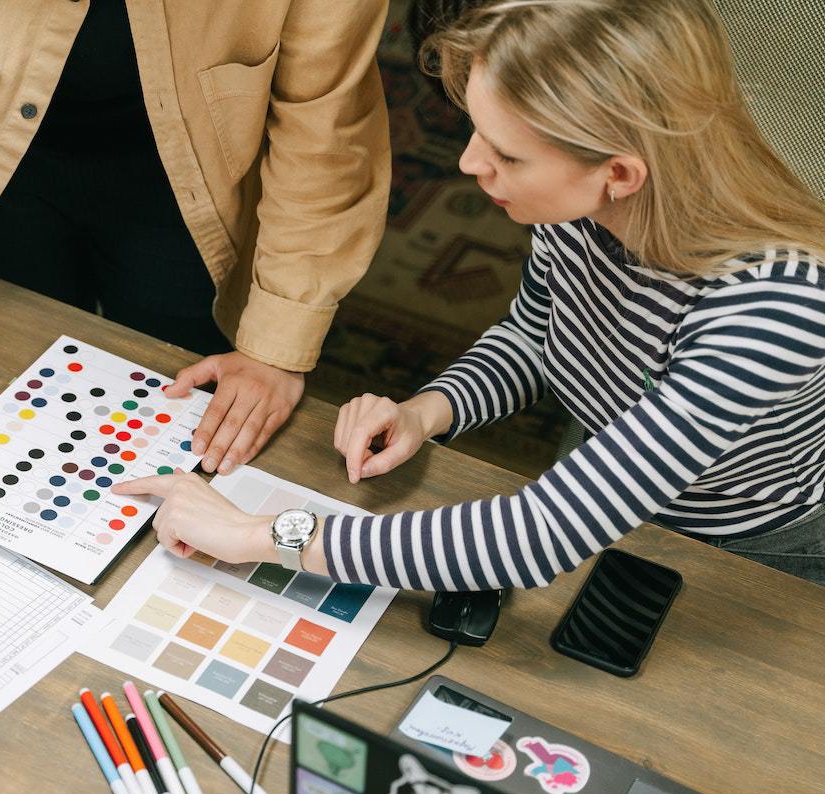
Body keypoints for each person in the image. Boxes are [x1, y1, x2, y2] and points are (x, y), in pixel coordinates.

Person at [114, 0, 825, 587]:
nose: (466, 163)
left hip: (744, 548)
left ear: (619, 173)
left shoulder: (772, 307)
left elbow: (539, 535)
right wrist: (428, 411)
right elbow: (537, 338)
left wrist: (257, 535)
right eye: (478, 131)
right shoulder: (582, 209)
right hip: (604, 465)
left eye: (507, 154)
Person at [0, 0, 391, 475]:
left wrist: (275, 345)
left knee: (187, 437)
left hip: (198, 182)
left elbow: (325, 128)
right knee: (5, 417)